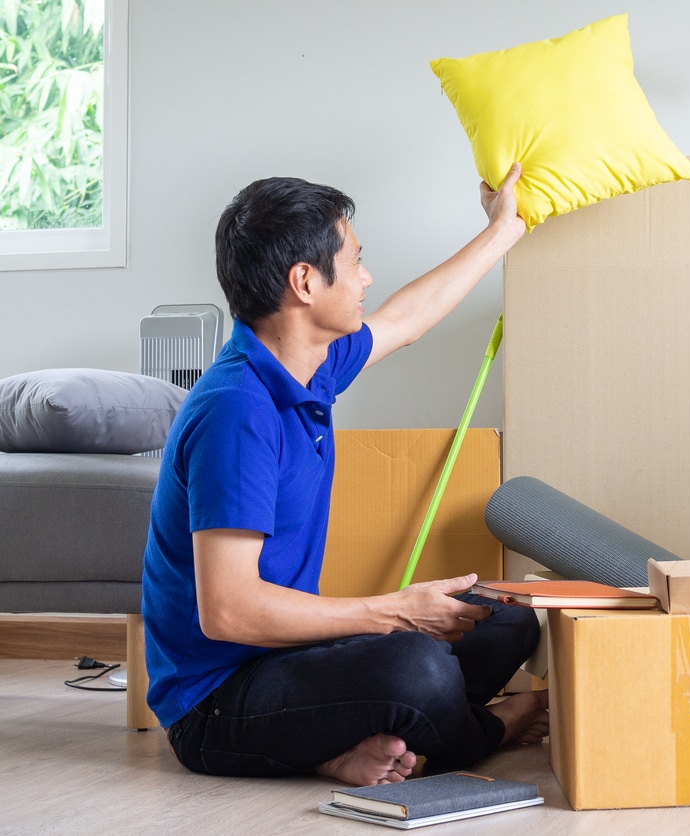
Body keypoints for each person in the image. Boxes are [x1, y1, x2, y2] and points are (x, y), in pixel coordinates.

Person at [141, 162, 549, 787]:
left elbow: (407, 318)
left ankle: (345, 746)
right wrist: (394, 612)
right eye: (354, 259)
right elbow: (228, 612)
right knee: (418, 671)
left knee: (507, 615)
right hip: (216, 705)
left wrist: (503, 229)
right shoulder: (237, 412)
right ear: (305, 281)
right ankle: (494, 727)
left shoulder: (310, 366)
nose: (366, 277)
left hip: (288, 660)